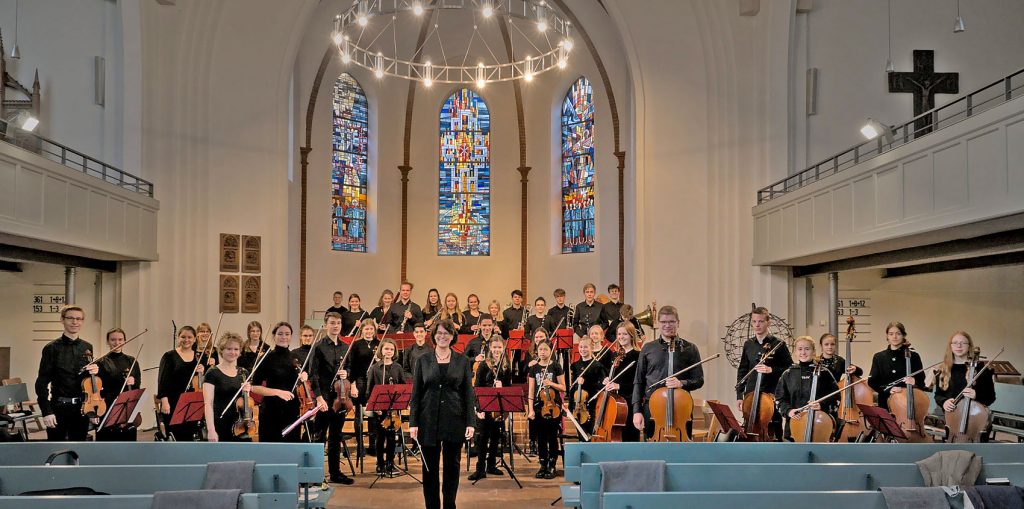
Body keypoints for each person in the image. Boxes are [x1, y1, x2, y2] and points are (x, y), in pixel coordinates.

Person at [410, 319, 476, 509]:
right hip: (427, 419)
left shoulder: (462, 360)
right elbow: (416, 394)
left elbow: (468, 394)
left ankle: (449, 505)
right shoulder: (422, 360)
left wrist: (470, 422)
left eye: (447, 333)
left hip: (454, 419)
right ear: (433, 335)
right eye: (439, 333)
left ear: (453, 336)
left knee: (452, 468)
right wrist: (413, 423)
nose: (442, 336)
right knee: (429, 468)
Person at [631, 305, 703, 439]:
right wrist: (637, 411)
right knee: (652, 452)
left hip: (680, 409)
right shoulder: (648, 348)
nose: (667, 325)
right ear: (658, 324)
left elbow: (699, 380)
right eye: (664, 322)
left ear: (678, 323)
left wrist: (681, 383)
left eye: (671, 322)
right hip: (652, 408)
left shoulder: (690, 348)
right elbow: (638, 381)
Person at [310, 312, 355, 485]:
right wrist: (319, 398)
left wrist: (347, 373)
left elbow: (349, 367)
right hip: (324, 399)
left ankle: (335, 473)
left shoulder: (345, 347)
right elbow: (313, 375)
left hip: (340, 398)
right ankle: (316, 475)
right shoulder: (319, 347)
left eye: (338, 323)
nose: (335, 326)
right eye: (332, 323)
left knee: (336, 436)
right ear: (326, 325)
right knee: (319, 437)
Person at [36, 306, 93, 441]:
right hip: (58, 408)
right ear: (62, 320)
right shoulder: (51, 348)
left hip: (81, 408)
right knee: (56, 450)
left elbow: (88, 381)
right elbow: (41, 382)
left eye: (79, 319)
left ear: (82, 321)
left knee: (79, 451)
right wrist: (46, 411)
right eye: (70, 318)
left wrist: (95, 372)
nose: (75, 322)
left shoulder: (87, 347)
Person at [735, 307, 792, 440]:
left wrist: (771, 370)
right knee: (750, 424)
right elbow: (743, 370)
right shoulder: (748, 344)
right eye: (754, 322)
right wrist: (739, 395)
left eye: (760, 321)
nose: (757, 325)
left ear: (768, 322)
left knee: (774, 426)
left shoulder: (778, 344)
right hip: (751, 392)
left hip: (772, 393)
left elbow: (789, 368)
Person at [775, 336, 839, 440]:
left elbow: (836, 397)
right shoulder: (788, 373)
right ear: (795, 352)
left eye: (807, 349)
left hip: (820, 426)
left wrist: (821, 405)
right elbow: (779, 399)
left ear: (813, 351)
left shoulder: (824, 373)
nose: (803, 352)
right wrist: (788, 411)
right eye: (800, 349)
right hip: (793, 426)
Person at [468, 336, 511, 481]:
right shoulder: (483, 365)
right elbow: (477, 388)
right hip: (484, 407)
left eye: (499, 347)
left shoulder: (506, 365)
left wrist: (502, 387)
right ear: (490, 348)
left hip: (498, 408)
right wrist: (478, 408)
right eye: (495, 347)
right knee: (482, 438)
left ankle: (491, 465)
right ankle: (480, 469)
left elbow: (509, 389)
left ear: (503, 348)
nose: (497, 350)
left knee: (495, 437)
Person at [251, 322, 303, 442]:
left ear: (291, 336)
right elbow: (255, 387)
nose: (283, 337)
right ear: (274, 336)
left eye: (287, 334)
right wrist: (278, 392)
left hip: (291, 408)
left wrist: (303, 377)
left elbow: (296, 383)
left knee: (291, 447)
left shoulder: (295, 358)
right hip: (271, 409)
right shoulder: (266, 358)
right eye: (280, 334)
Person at [934, 331, 996, 426]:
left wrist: (976, 395)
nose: (959, 346)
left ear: (969, 346)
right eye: (955, 343)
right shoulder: (944, 369)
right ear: (950, 346)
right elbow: (938, 395)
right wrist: (944, 402)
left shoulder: (981, 369)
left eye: (963, 343)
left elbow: (991, 397)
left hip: (974, 418)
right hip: (950, 417)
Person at [366, 338, 408, 475]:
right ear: (381, 350)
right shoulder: (374, 368)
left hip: (393, 409)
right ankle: (380, 463)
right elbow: (369, 390)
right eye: (386, 349)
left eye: (391, 349)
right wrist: (374, 406)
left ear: (394, 351)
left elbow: (402, 387)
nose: (388, 351)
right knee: (380, 437)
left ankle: (390, 462)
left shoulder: (398, 368)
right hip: (379, 409)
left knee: (391, 437)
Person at [92, 328, 142, 441]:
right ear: (108, 341)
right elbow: (96, 390)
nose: (117, 343)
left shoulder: (132, 361)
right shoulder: (101, 362)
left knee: (128, 443)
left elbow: (137, 386)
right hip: (107, 406)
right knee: (107, 443)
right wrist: (94, 412)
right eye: (113, 340)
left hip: (127, 405)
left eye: (120, 339)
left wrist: (133, 382)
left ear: (125, 341)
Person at [526, 338, 565, 479]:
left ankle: (552, 464)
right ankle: (543, 464)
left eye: (545, 349)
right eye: (540, 349)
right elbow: (531, 391)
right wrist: (530, 410)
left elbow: (564, 387)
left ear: (551, 351)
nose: (542, 352)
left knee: (552, 436)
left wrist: (551, 383)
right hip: (538, 406)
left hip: (554, 406)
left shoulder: (556, 367)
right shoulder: (534, 368)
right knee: (541, 437)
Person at [202, 332, 252, 442]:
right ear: (221, 350)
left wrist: (247, 392)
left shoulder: (243, 373)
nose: (232, 352)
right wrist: (211, 430)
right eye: (229, 349)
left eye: (236, 349)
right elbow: (208, 404)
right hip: (220, 424)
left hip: (241, 426)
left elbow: (246, 404)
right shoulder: (212, 373)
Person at [157, 325, 202, 441]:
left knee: (190, 435)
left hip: (191, 401)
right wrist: (164, 401)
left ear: (195, 339)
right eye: (183, 337)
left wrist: (203, 371)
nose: (186, 340)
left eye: (190, 337)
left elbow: (203, 382)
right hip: (173, 401)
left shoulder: (199, 357)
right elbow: (162, 380)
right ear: (178, 338)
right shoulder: (169, 356)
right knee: (175, 434)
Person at [868, 321, 925, 411]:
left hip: (907, 404)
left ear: (903, 336)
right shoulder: (879, 357)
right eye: (891, 334)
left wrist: (914, 381)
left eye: (898, 333)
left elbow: (922, 381)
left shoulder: (913, 356)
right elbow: (872, 382)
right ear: (887, 336)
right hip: (885, 402)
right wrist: (888, 389)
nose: (894, 337)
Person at [602, 322, 641, 442]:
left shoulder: (637, 356)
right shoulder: (615, 355)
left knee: (629, 436)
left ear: (631, 336)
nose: (621, 337)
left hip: (629, 402)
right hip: (614, 402)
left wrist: (618, 385)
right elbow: (614, 377)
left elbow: (639, 383)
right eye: (619, 334)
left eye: (625, 334)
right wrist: (609, 379)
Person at [569, 338, 607, 436]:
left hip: (591, 404)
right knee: (581, 435)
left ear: (592, 348)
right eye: (581, 347)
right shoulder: (575, 365)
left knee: (590, 434)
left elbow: (601, 385)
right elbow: (572, 388)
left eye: (586, 347)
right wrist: (570, 408)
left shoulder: (597, 365)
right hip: (577, 406)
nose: (583, 349)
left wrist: (585, 383)